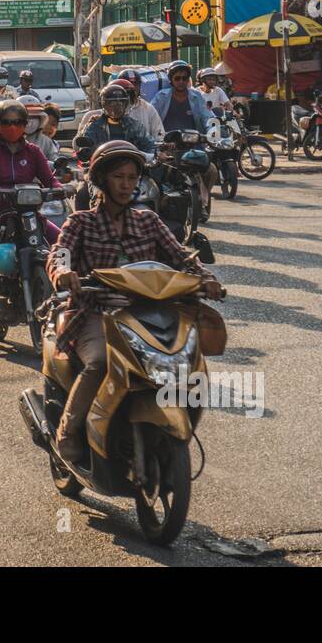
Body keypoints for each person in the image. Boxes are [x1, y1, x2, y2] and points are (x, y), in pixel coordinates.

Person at [48, 141, 222, 463]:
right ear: (101, 180)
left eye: (132, 178)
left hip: (148, 314)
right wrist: (62, 272)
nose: (127, 184)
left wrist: (205, 278)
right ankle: (68, 431)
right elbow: (60, 253)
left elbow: (181, 256)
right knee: (100, 361)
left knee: (185, 359)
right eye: (119, 177)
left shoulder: (149, 221)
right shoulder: (81, 222)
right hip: (95, 312)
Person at [0, 100, 64, 311]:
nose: (13, 127)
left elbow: (50, 180)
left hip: (28, 212)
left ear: (26, 124)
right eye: (6, 122)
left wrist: (61, 187)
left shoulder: (34, 152)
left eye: (18, 122)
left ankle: (65, 287)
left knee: (63, 240)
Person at [80, 84, 156, 156]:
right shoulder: (94, 126)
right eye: (112, 103)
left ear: (126, 104)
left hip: (131, 164)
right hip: (103, 166)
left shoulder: (135, 125)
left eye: (121, 102)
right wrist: (86, 151)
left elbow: (149, 145)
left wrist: (156, 152)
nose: (117, 107)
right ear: (104, 104)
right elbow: (86, 146)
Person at [151, 60, 217, 134]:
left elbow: (208, 117)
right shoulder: (161, 96)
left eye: (184, 78)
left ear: (188, 79)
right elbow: (151, 118)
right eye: (177, 78)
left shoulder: (196, 96)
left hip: (194, 143)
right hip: (167, 143)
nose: (181, 82)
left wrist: (213, 132)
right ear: (171, 79)